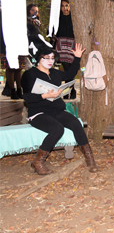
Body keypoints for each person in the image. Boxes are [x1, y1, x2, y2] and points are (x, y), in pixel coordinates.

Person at [21, 43, 97, 174]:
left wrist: (77, 58)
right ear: (39, 58)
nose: (50, 61)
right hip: (38, 113)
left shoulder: (55, 73)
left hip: (57, 111)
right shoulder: (30, 74)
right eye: (46, 58)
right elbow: (27, 97)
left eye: (52, 58)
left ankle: (90, 159)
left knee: (76, 123)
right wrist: (45, 95)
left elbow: (69, 74)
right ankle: (38, 162)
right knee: (57, 128)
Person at [51, 0, 77, 99]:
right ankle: (70, 90)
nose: (65, 8)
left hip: (71, 44)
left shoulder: (74, 18)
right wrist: (52, 46)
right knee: (66, 68)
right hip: (61, 45)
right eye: (63, 6)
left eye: (67, 5)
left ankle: (70, 90)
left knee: (70, 68)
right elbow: (54, 32)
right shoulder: (57, 18)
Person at [0, 10, 26, 99]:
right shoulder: (2, 12)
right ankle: (12, 91)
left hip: (19, 43)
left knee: (19, 68)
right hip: (6, 45)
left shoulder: (19, 11)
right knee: (10, 68)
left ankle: (19, 90)